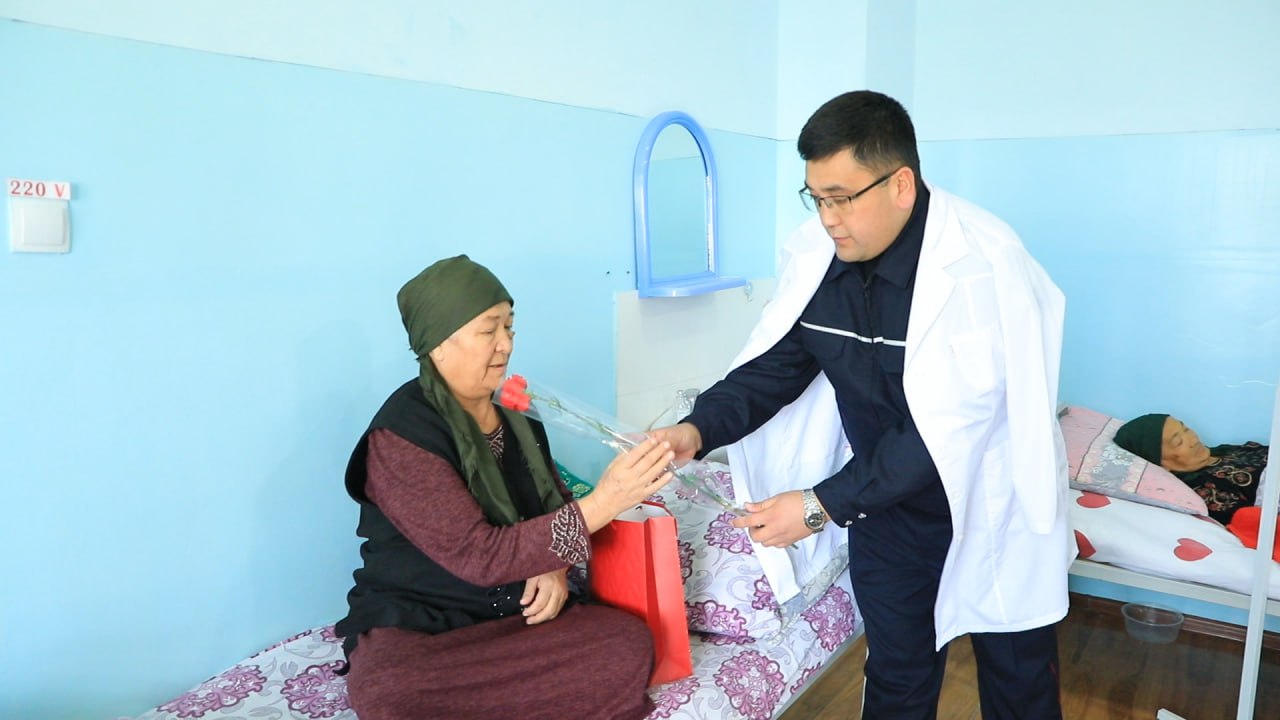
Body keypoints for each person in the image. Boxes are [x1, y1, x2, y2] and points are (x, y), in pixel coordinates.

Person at [650, 91, 1073, 718]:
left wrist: (819, 505)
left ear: (900, 184)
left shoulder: (983, 267)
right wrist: (696, 429)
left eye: (841, 198)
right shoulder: (821, 259)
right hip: (886, 511)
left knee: (1019, 685)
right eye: (816, 198)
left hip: (991, 505)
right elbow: (776, 366)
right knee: (897, 680)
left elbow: (945, 431)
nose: (828, 218)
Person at [335, 255, 674, 720]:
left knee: (626, 644)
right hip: (423, 625)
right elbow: (480, 556)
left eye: (509, 327)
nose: (506, 344)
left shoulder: (517, 414)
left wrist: (554, 567)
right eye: (488, 330)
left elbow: (550, 508)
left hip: (519, 615)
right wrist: (607, 500)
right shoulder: (402, 436)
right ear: (439, 344)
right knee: (391, 691)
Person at [1114, 413, 1270, 525]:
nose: (1193, 439)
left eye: (1186, 430)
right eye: (1178, 442)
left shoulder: (1223, 451)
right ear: (1160, 463)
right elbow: (1255, 524)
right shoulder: (1206, 490)